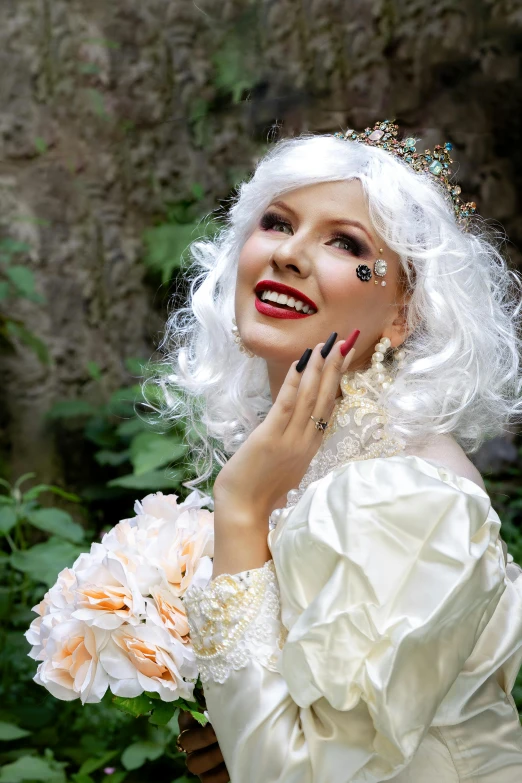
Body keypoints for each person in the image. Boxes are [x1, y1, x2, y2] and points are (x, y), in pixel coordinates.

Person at [153, 121, 522, 782]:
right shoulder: (310, 468)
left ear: (404, 311)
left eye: (346, 243)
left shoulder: (404, 498)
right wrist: (237, 730)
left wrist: (240, 512)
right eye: (276, 222)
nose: (289, 254)